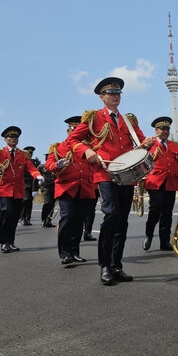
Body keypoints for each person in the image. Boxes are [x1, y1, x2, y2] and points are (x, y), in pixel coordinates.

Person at [64, 77, 155, 285]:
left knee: (122, 221)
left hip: (127, 176)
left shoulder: (129, 121)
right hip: (105, 174)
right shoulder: (94, 118)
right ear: (102, 97)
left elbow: (139, 145)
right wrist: (87, 150)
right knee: (111, 215)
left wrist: (146, 144)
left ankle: (116, 265)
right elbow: (72, 141)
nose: (116, 96)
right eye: (111, 93)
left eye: (118, 93)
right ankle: (105, 265)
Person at [0, 126, 43, 253]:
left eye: (16, 137)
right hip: (4, 189)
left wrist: (37, 175)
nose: (13, 139)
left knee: (15, 216)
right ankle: (4, 242)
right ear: (5, 139)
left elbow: (30, 167)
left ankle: (11, 241)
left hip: (18, 190)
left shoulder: (23, 154)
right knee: (6, 213)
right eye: (11, 137)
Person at [47, 115, 95, 265]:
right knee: (67, 218)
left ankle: (75, 251)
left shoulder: (88, 148)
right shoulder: (58, 147)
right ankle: (64, 252)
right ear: (69, 130)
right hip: (66, 188)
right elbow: (49, 164)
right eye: (74, 129)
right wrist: (56, 166)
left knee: (79, 221)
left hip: (84, 188)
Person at [143, 116, 178, 251]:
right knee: (156, 209)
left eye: (167, 129)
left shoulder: (173, 145)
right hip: (155, 182)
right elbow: (140, 157)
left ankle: (164, 241)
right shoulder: (149, 143)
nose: (165, 131)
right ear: (156, 130)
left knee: (167, 212)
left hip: (170, 182)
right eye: (162, 129)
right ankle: (149, 235)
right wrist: (145, 148)